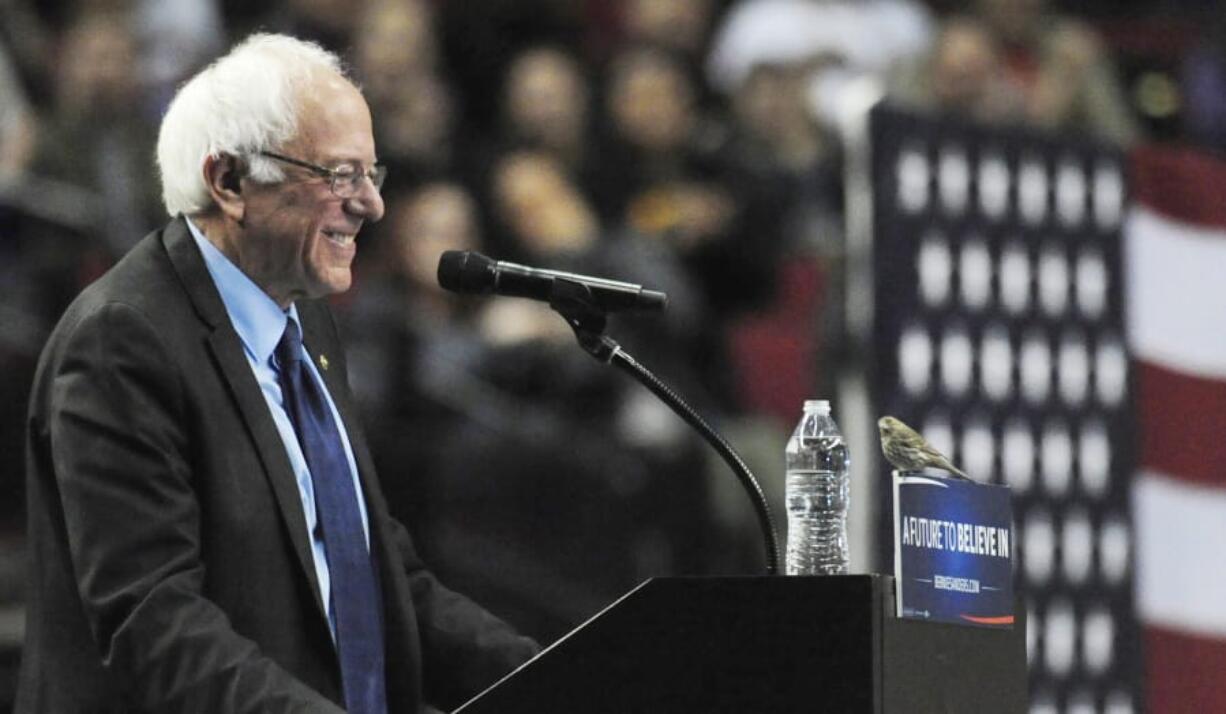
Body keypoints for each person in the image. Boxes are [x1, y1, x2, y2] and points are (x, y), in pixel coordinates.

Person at [18, 33, 538, 713]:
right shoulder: (121, 342)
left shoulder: (305, 320)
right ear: (229, 182)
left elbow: (380, 577)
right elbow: (153, 620)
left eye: (371, 175)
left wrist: (561, 678)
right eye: (340, 175)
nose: (372, 206)